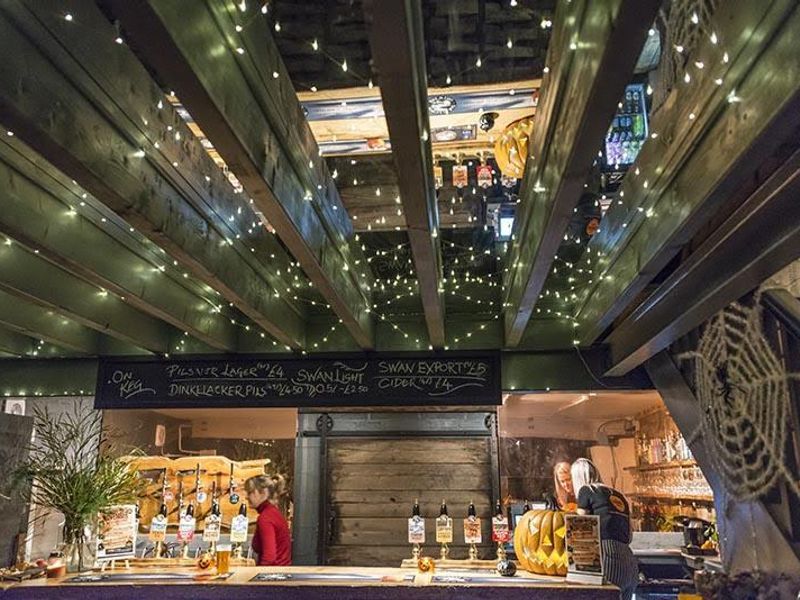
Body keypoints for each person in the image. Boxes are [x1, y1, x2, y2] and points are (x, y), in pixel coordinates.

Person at [571, 458, 638, 600]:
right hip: (629, 561)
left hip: (607, 556)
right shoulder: (618, 495)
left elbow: (581, 530)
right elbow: (630, 536)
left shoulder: (586, 490)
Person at [244, 474, 292, 566]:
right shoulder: (274, 513)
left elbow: (269, 558)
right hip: (282, 573)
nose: (246, 496)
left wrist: (259, 577)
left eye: (250, 492)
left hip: (273, 575)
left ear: (263, 493)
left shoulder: (265, 518)